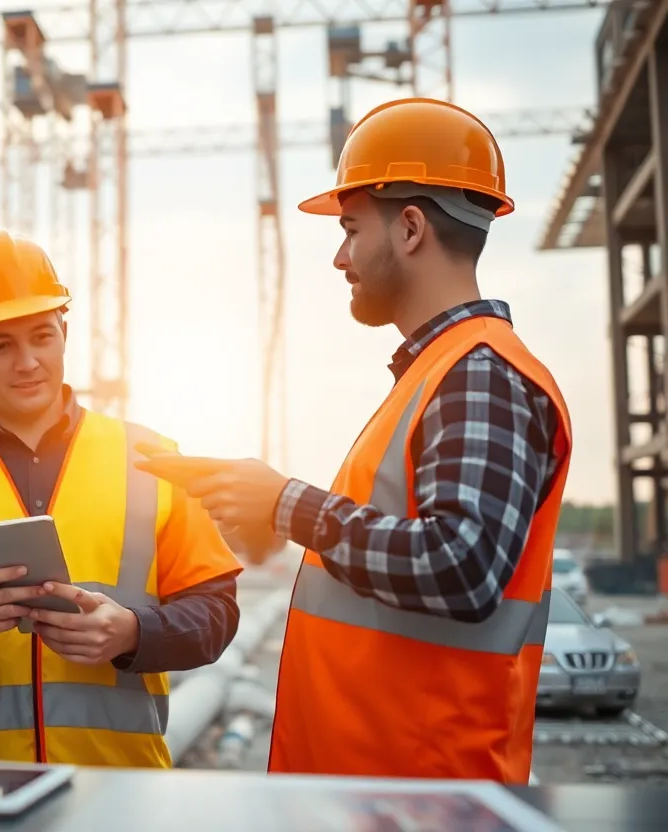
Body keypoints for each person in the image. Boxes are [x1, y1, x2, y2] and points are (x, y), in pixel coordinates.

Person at [138, 98, 573, 784]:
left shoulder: (478, 375)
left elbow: (463, 565)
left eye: (349, 230)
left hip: (425, 797)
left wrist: (286, 505)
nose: (340, 257)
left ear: (408, 228)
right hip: (377, 789)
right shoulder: (436, 375)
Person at [0, 230, 244, 768]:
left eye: (42, 336)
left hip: (123, 790)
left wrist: (133, 632)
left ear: (64, 333)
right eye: (1, 345)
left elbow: (217, 614)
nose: (28, 362)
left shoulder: (151, 457)